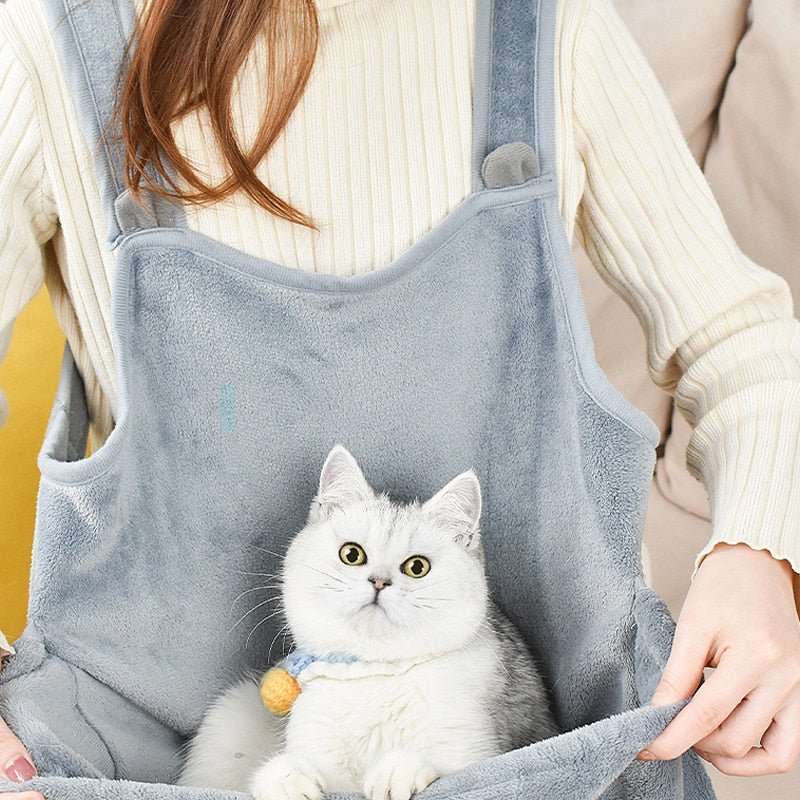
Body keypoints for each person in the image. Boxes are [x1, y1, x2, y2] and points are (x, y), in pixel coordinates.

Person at [0, 0, 799, 797]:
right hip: (146, 758)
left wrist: (757, 557)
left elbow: (741, 341)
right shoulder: (55, 45)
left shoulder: (548, 31)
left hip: (531, 755)